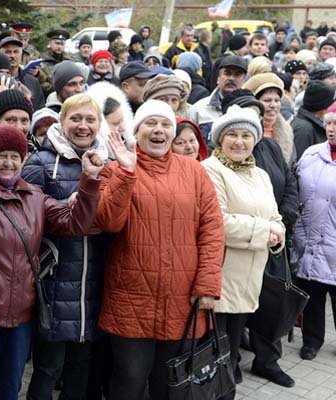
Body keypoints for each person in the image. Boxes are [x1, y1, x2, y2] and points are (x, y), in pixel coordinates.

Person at [0, 98, 104, 400]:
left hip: (22, 315)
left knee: (11, 389)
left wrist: (89, 180)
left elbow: (75, 224)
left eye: (15, 156)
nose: (9, 163)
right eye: (1, 156)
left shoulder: (34, 197)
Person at [94, 99, 224, 400]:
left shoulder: (193, 170)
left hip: (182, 298)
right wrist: (126, 173)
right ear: (136, 131)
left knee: (170, 382)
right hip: (131, 298)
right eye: (150, 124)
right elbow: (108, 222)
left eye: (165, 124)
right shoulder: (115, 169)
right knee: (129, 380)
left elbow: (212, 230)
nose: (158, 130)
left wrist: (207, 284)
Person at [21, 93, 109, 400]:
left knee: (81, 365)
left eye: (90, 119)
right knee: (49, 366)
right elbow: (27, 213)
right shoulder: (41, 162)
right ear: (62, 122)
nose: (83, 126)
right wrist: (66, 206)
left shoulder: (107, 162)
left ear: (100, 124)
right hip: (55, 279)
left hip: (94, 281)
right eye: (76, 118)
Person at [202, 105, 285, 399]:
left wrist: (276, 235)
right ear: (220, 139)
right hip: (220, 278)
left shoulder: (259, 174)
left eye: (246, 135)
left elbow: (276, 218)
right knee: (212, 353)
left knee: (232, 349)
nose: (240, 141)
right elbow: (219, 222)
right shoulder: (211, 169)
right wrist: (266, 232)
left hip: (250, 279)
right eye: (233, 135)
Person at [294, 111, 336, 362]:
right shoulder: (311, 155)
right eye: (329, 123)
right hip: (313, 240)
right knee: (314, 295)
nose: (331, 129)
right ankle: (311, 341)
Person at [189, 56, 247, 144]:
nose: (231, 78)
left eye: (237, 75)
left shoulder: (249, 110)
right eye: (227, 73)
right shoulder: (198, 109)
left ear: (244, 80)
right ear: (218, 78)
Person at [243, 73, 296, 164]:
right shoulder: (246, 130)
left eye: (277, 100)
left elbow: (292, 166)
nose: (273, 105)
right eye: (267, 100)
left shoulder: (287, 131)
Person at [0, 36, 45, 110]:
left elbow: (40, 108)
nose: (12, 56)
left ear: (21, 54)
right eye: (8, 52)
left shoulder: (33, 82)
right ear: (0, 54)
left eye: (16, 52)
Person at [292, 80, 336, 159]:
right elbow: (300, 163)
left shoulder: (315, 123)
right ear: (322, 107)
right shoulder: (304, 129)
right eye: (332, 103)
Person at [37, 29, 73, 97]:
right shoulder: (41, 59)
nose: (59, 46)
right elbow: (41, 82)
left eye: (62, 44)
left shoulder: (68, 61)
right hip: (47, 96)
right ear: (50, 43)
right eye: (57, 43)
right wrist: (56, 91)